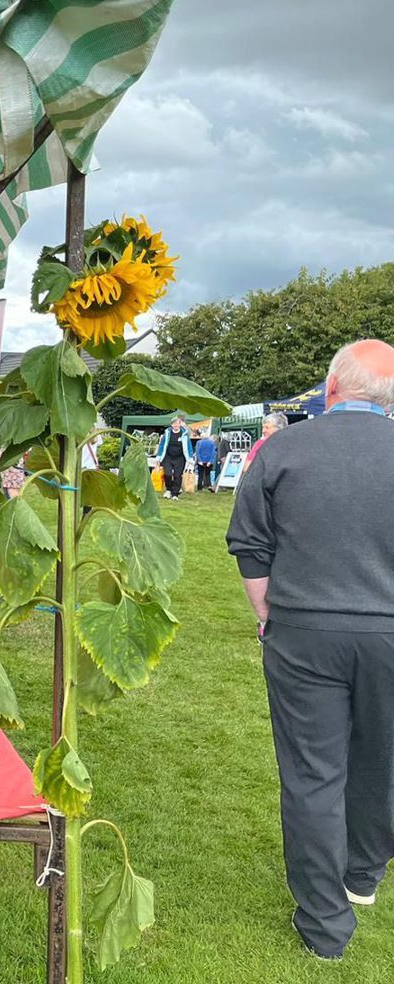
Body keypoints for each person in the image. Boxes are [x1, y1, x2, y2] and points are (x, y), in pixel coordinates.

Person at [226, 339, 394, 961]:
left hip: (303, 630)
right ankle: (363, 871)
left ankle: (327, 922)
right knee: (384, 756)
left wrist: (269, 616)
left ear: (330, 390)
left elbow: (249, 546)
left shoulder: (282, 448)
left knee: (312, 775)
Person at [154, 415, 192, 499]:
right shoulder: (167, 433)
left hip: (180, 458)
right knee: (167, 474)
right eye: (174, 424)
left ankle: (175, 494)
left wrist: (190, 458)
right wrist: (159, 457)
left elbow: (189, 446)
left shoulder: (185, 434)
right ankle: (168, 490)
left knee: (177, 475)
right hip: (168, 457)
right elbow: (162, 445)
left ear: (180, 424)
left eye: (177, 423)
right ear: (171, 425)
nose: (175, 425)